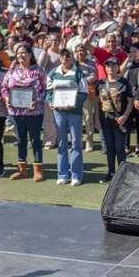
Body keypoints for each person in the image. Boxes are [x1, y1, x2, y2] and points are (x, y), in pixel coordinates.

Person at [1, 43, 47, 181]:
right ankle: (22, 170)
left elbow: (45, 89)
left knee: (35, 140)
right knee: (20, 140)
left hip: (34, 112)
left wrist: (37, 100)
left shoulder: (38, 71)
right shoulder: (12, 71)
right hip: (16, 113)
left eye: (24, 53)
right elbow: (4, 87)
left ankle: (38, 170)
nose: (21, 55)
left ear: (30, 55)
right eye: (18, 53)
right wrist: (7, 98)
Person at [46, 48, 88, 185]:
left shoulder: (78, 72)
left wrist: (74, 104)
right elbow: (48, 90)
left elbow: (83, 92)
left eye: (68, 56)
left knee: (76, 143)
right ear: (60, 58)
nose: (65, 58)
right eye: (63, 56)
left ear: (72, 58)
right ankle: (63, 174)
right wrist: (51, 102)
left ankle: (76, 175)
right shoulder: (53, 72)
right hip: (59, 112)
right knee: (62, 143)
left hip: (74, 113)